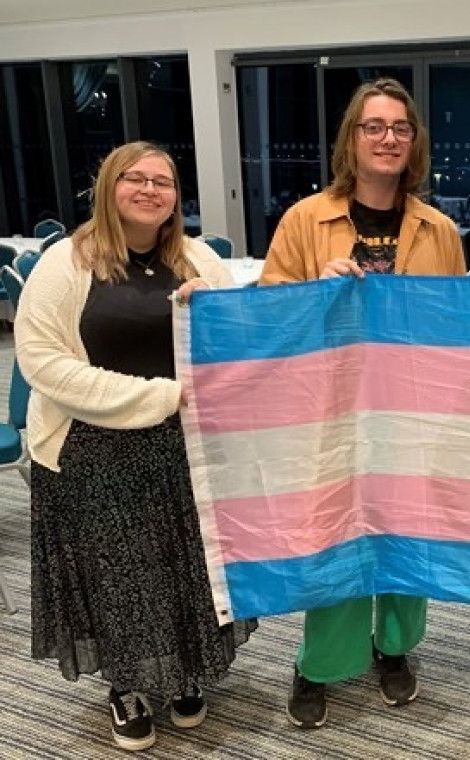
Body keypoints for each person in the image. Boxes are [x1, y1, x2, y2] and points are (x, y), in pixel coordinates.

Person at [15, 141, 253, 752]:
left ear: (177, 196)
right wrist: (161, 397)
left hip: (184, 448)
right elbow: (42, 362)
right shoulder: (65, 263)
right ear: (109, 188)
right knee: (119, 576)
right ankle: (126, 686)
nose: (150, 190)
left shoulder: (196, 257)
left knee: (183, 569)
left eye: (164, 182)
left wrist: (216, 312)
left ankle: (180, 675)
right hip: (92, 451)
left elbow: (237, 345)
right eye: (135, 179)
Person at [259, 77, 465, 729]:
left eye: (399, 128)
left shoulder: (440, 230)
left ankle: (394, 647)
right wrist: (310, 295)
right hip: (333, 415)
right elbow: (265, 317)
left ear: (414, 142)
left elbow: (458, 327)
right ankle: (319, 662)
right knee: (336, 538)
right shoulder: (304, 220)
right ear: (352, 139)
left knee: (407, 541)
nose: (387, 138)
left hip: (411, 415)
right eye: (372, 127)